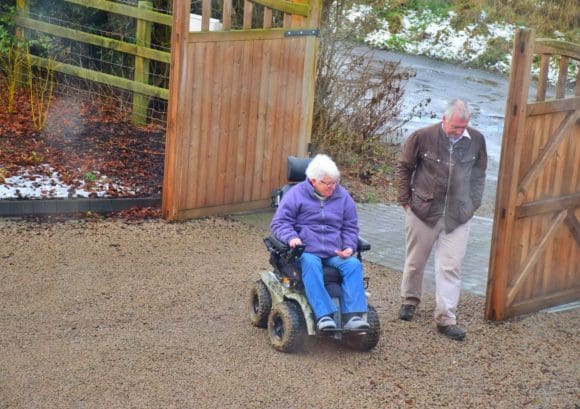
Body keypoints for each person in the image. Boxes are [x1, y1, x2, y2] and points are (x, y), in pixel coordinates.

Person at [396, 99, 487, 341]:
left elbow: (480, 175)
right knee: (415, 261)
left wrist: (473, 204)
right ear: (444, 119)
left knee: (451, 267)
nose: (460, 131)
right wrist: (405, 199)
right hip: (423, 210)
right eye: (455, 126)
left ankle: (446, 318)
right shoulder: (422, 136)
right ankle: (409, 301)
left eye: (463, 126)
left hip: (458, 215)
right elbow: (404, 167)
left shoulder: (477, 140)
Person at [270, 153, 369, 331]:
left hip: (334, 251)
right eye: (327, 183)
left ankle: (353, 316)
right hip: (306, 250)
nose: (332, 187)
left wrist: (348, 246)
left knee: (353, 264)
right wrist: (292, 237)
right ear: (313, 181)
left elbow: (350, 227)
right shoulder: (295, 195)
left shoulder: (343, 196)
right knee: (310, 263)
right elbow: (280, 223)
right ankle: (324, 316)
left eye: (334, 182)